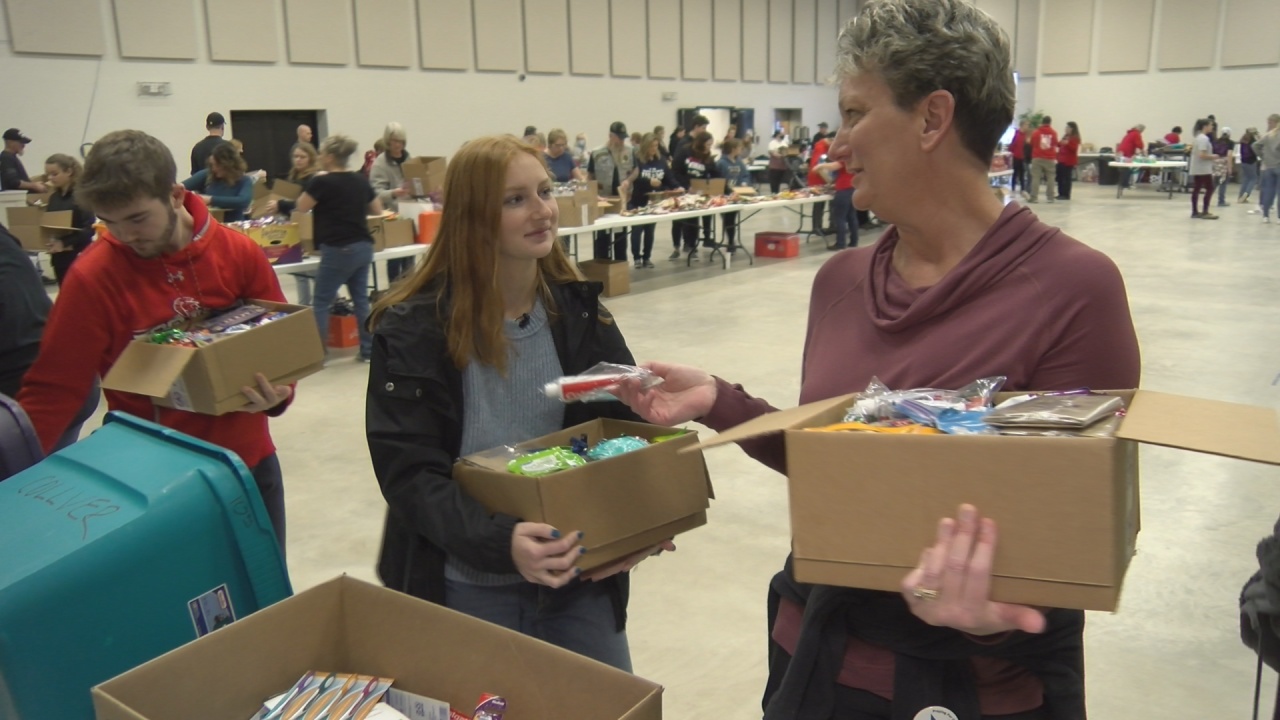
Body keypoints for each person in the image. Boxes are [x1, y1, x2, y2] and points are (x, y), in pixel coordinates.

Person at [615, 1, 1140, 716]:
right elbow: (840, 469)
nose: (835, 144)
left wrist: (993, 612)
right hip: (821, 663)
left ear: (932, 119)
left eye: (855, 114)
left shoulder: (1073, 290)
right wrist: (722, 401)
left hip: (974, 686)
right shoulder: (841, 283)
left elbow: (1077, 531)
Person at [364, 134, 669, 671]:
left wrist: (644, 514)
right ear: (473, 217)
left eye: (545, 192)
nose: (542, 211)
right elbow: (410, 474)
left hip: (578, 574)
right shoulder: (412, 331)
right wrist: (501, 541)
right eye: (515, 199)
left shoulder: (579, 315)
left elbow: (622, 427)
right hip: (469, 584)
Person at [16, 129, 294, 548]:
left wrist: (280, 393)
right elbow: (54, 390)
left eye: (137, 218)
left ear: (176, 195)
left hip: (247, 466)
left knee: (268, 604)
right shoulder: (93, 277)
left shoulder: (239, 253)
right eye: (109, 222)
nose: (125, 236)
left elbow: (282, 350)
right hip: (153, 479)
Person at [294, 135, 382, 362]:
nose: (320, 158)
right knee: (361, 300)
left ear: (330, 157)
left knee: (321, 301)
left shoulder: (321, 182)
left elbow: (301, 207)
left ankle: (316, 355)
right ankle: (369, 351)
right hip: (363, 246)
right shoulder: (360, 180)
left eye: (321, 154)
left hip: (338, 248)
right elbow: (377, 209)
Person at [266, 142, 323, 306]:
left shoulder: (313, 178)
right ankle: (304, 306)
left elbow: (304, 204)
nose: (298, 160)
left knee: (315, 272)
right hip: (294, 227)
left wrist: (281, 204)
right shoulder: (293, 177)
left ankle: (323, 307)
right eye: (295, 156)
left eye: (302, 157)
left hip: (311, 228)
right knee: (300, 274)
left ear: (311, 158)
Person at [621, 133, 681, 269]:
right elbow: (633, 178)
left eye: (656, 146)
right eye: (652, 146)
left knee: (650, 231)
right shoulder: (638, 160)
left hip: (654, 203)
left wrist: (677, 187)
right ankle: (636, 257)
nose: (654, 149)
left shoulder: (661, 161)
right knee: (637, 231)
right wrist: (648, 181)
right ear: (645, 146)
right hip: (638, 201)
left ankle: (647, 257)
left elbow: (668, 178)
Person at [369, 122, 414, 281]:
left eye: (401, 141)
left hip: (409, 214)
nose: (398, 145)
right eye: (395, 141)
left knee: (410, 259)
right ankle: (394, 294)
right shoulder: (380, 163)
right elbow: (374, 193)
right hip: (391, 217)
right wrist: (394, 193)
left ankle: (409, 292)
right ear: (388, 141)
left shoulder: (409, 159)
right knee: (394, 260)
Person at [42, 154, 96, 285]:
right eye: (48, 174)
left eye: (54, 174)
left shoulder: (81, 195)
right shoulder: (54, 197)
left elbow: (89, 228)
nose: (50, 178)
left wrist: (64, 242)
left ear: (69, 172)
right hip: (59, 258)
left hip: (79, 256)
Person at [586, 121, 635, 262]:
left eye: (623, 138)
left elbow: (635, 170)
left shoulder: (630, 151)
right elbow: (589, 176)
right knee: (602, 238)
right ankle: (601, 265)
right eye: (618, 137)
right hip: (603, 201)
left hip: (621, 200)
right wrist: (593, 195)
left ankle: (620, 267)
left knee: (620, 238)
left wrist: (629, 180)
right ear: (610, 136)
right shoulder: (597, 153)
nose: (621, 141)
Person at [671, 130, 721, 261]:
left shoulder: (707, 155)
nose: (709, 147)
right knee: (679, 221)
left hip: (698, 191)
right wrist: (686, 186)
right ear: (701, 143)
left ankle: (692, 247)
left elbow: (714, 172)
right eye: (708, 144)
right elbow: (676, 171)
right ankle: (676, 246)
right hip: (683, 189)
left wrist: (723, 187)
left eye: (711, 145)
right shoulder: (685, 151)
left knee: (693, 220)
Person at [182, 142, 253, 222]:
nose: (214, 169)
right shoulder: (207, 175)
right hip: (211, 226)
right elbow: (180, 188)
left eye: (217, 165)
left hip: (234, 227)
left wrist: (210, 200)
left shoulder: (244, 180)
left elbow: (243, 201)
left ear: (228, 164)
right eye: (212, 165)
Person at [717, 138, 752, 252]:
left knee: (733, 219)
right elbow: (717, 178)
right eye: (739, 148)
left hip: (737, 194)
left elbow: (745, 174)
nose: (741, 150)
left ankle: (732, 241)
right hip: (725, 195)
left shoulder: (739, 162)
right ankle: (730, 241)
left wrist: (744, 182)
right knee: (727, 219)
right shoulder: (721, 163)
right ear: (733, 149)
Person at [1189, 118, 1220, 220]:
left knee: (1197, 188)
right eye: (1210, 125)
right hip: (1203, 169)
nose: (1212, 127)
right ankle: (1205, 211)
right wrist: (1213, 156)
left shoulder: (1198, 137)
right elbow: (1202, 155)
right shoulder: (1204, 139)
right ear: (1205, 126)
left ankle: (1195, 211)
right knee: (1210, 188)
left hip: (1197, 167)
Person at [1252, 114, 1280, 224]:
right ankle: (1279, 217)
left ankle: (1266, 216)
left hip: (1268, 167)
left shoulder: (1268, 135)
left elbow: (1255, 145)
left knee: (1268, 191)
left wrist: (1263, 156)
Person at [1, 129, 45, 193]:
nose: (23, 145)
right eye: (21, 142)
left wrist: (34, 184)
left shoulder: (11, 157)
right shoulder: (6, 158)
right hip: (15, 201)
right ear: (10, 142)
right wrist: (35, 186)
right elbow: (14, 182)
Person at [1027, 115, 1058, 203]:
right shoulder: (1054, 133)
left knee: (1036, 177)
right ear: (1050, 123)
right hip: (1050, 158)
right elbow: (1055, 143)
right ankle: (1050, 197)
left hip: (1037, 157)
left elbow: (1032, 143)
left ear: (1042, 122)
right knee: (1051, 178)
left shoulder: (1036, 132)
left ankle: (1034, 197)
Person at [807, 134, 833, 232]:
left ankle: (818, 226)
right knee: (819, 204)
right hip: (818, 179)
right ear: (831, 140)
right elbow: (819, 169)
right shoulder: (821, 149)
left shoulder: (822, 147)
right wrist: (830, 181)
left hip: (819, 178)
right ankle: (817, 227)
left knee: (820, 204)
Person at [1055, 121, 1081, 201]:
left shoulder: (1075, 138)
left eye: (1068, 128)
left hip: (1068, 161)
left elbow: (1074, 149)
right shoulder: (1065, 136)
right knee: (1059, 177)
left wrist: (1067, 144)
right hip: (1061, 160)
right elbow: (1059, 144)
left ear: (1072, 129)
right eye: (1066, 128)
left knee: (1066, 178)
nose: (1066, 129)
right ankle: (1060, 193)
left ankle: (1066, 194)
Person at [1213, 126, 1235, 208]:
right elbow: (1229, 155)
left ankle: (1207, 198)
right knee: (1223, 182)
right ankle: (1221, 201)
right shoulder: (1230, 143)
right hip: (1224, 162)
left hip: (1215, 162)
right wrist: (1230, 168)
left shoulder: (1215, 141)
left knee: (1214, 181)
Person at [1238, 127, 1260, 204]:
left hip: (1243, 161)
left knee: (1246, 179)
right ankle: (1246, 193)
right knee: (1254, 178)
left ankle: (1240, 196)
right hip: (1251, 161)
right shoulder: (1253, 141)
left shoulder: (1243, 140)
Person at [1008, 121, 1028, 197]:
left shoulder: (1026, 136)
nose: (1027, 127)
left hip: (1023, 157)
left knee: (1022, 174)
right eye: (1026, 125)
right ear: (1022, 126)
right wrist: (1012, 152)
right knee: (1015, 174)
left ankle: (1022, 189)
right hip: (1016, 157)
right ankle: (1013, 189)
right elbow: (1012, 145)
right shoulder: (1017, 134)